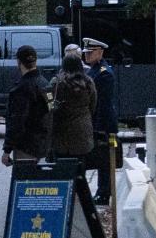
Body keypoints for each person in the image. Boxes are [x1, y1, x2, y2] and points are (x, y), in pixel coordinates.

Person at [1, 45, 51, 167]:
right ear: (35, 61)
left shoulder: (21, 89)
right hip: (44, 144)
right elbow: (52, 111)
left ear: (19, 62)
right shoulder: (45, 84)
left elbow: (17, 121)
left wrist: (7, 150)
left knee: (26, 182)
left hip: (26, 146)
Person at [48, 54, 98, 171]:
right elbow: (93, 105)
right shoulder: (88, 82)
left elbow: (49, 104)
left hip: (61, 133)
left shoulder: (56, 82)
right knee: (80, 170)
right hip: (82, 134)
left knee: (61, 171)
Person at [83, 38, 117, 203]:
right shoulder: (93, 71)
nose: (87, 55)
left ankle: (104, 193)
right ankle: (101, 190)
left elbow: (102, 104)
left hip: (104, 123)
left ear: (100, 52)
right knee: (99, 157)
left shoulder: (103, 73)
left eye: (91, 52)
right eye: (86, 53)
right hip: (96, 120)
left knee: (105, 159)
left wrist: (97, 126)